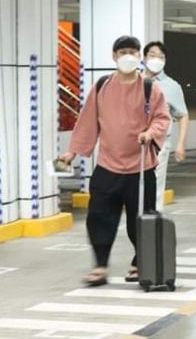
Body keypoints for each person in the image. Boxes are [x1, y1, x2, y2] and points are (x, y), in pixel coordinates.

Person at [60, 35, 170, 286]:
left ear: (139, 57)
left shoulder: (150, 88)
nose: (128, 57)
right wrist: (73, 152)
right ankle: (100, 265)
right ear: (114, 56)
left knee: (140, 220)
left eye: (133, 52)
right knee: (99, 217)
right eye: (123, 52)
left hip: (141, 167)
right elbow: (88, 121)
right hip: (108, 166)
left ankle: (139, 262)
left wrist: (150, 133)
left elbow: (162, 118)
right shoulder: (102, 86)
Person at [143, 41, 189, 211]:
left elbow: (183, 115)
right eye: (152, 55)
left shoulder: (171, 86)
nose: (156, 59)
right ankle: (138, 222)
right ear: (144, 57)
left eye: (161, 57)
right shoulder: (134, 81)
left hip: (159, 144)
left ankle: (154, 223)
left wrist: (181, 144)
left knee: (155, 185)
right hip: (133, 143)